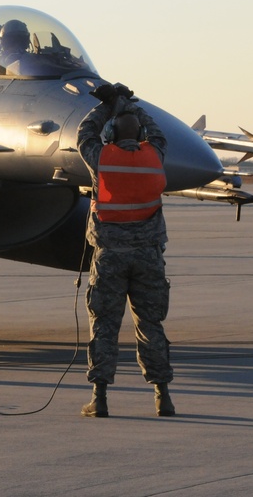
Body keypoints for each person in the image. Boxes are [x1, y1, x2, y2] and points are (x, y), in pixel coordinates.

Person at [77, 83, 175, 417]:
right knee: (151, 325)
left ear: (111, 136)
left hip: (111, 257)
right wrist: (130, 105)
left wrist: (107, 105)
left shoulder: (103, 158)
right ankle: (163, 397)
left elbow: (84, 133)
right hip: (148, 256)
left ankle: (99, 398)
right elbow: (157, 132)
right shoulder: (155, 155)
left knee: (104, 325)